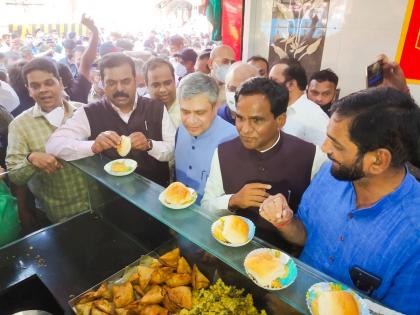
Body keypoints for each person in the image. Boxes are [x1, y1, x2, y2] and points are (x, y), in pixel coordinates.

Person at [258, 87, 420, 315]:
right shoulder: (330, 173)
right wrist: (285, 222)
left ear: (378, 160)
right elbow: (306, 237)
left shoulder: (414, 235)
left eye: (337, 144)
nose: (324, 149)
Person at [201, 77, 326, 249]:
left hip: (284, 265)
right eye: (240, 118)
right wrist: (233, 200)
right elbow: (206, 206)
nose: (244, 129)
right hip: (229, 255)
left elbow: (320, 230)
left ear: (281, 120)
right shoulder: (223, 152)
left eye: (257, 120)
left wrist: (286, 220)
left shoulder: (313, 157)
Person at [46, 53, 175, 186]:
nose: (119, 89)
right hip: (110, 197)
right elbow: (53, 145)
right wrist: (93, 146)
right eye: (111, 83)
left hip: (157, 194)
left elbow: (172, 149)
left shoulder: (156, 108)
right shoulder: (89, 112)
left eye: (126, 81)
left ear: (135, 80)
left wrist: (150, 145)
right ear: (102, 82)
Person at [6, 57, 100, 227]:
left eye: (49, 82)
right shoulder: (19, 126)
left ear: (61, 83)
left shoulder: (84, 111)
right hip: (58, 217)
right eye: (35, 86)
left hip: (100, 205)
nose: (43, 90)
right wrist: (31, 160)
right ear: (28, 90)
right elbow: (14, 175)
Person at [175, 73, 237, 202]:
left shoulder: (233, 140)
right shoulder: (180, 129)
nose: (191, 121)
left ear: (215, 106)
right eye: (185, 112)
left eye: (200, 112)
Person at [269, 58, 329, 146]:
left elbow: (326, 155)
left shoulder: (314, 116)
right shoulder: (278, 109)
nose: (268, 86)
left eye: (273, 81)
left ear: (291, 85)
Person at [57, 14, 99, 104]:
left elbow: (86, 61)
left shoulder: (43, 98)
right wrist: (94, 31)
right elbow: (86, 61)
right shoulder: (77, 89)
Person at [144, 57, 181, 128]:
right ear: (147, 85)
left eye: (167, 83)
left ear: (174, 80)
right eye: (156, 85)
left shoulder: (188, 102)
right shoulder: (141, 108)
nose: (162, 90)